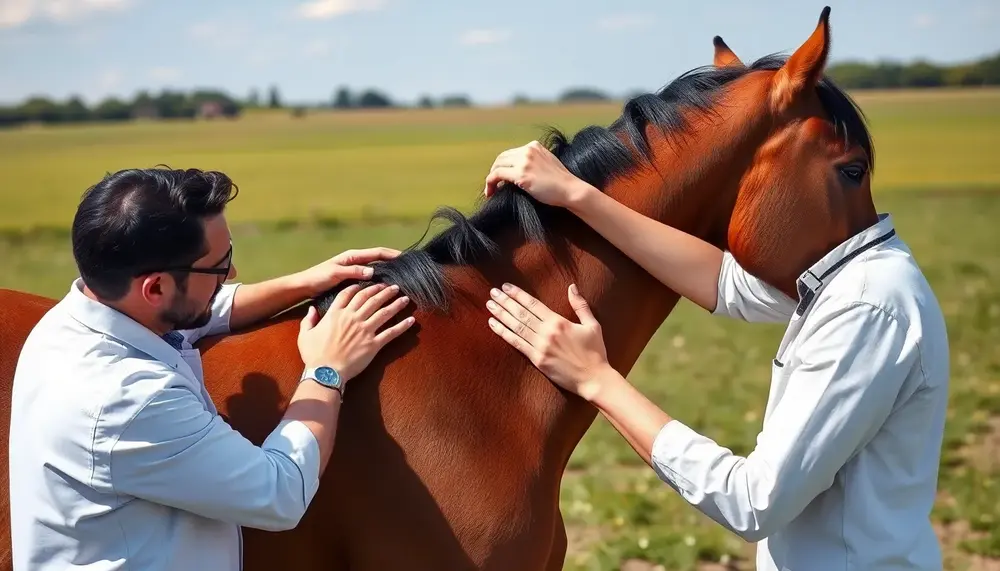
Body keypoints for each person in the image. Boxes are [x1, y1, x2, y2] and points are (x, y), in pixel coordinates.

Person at [479, 142, 950, 570]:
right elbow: (725, 282)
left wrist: (596, 379)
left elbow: (752, 500)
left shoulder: (865, 306)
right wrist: (576, 194)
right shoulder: (852, 275)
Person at [8, 167, 415, 571]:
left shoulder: (72, 319)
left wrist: (306, 282)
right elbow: (278, 494)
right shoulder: (125, 398)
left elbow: (197, 310)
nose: (232, 274)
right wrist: (328, 368)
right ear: (155, 287)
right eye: (219, 267)